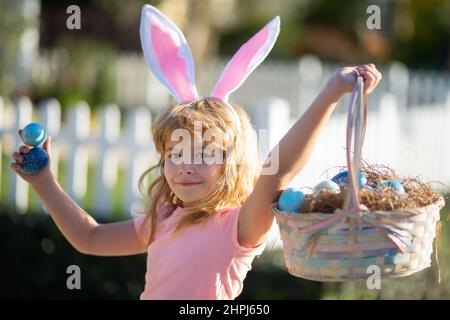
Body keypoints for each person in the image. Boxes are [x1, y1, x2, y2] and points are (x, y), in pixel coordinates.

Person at [10, 4, 382, 300]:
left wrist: (332, 92)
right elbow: (89, 238)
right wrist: (43, 181)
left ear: (232, 164)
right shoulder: (163, 219)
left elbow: (276, 173)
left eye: (204, 155)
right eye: (175, 153)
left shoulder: (237, 227)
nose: (185, 166)